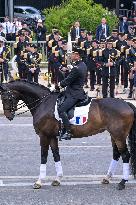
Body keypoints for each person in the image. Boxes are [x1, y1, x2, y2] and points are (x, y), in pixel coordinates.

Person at [58, 47, 87, 140]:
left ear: (77, 56)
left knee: (61, 110)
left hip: (74, 93)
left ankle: (68, 131)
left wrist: (57, 86)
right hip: (74, 90)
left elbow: (68, 81)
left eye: (73, 54)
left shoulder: (77, 68)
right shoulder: (82, 65)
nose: (71, 55)